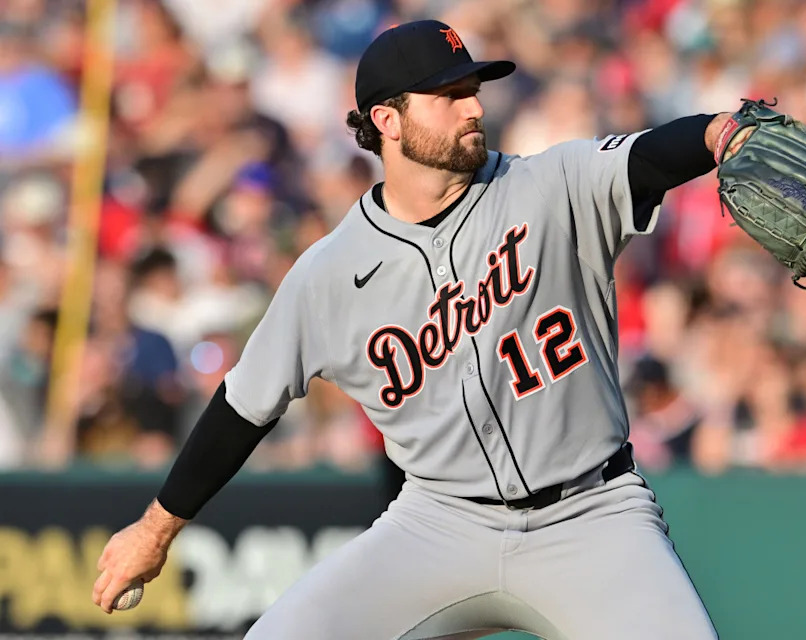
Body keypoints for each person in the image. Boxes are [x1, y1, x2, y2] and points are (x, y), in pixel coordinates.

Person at [93, 20, 729, 638]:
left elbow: (649, 157)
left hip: (591, 515)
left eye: (472, 90)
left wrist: (720, 131)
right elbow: (242, 407)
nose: (473, 107)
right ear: (387, 120)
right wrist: (155, 530)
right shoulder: (329, 273)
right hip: (440, 525)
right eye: (448, 95)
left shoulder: (548, 185)